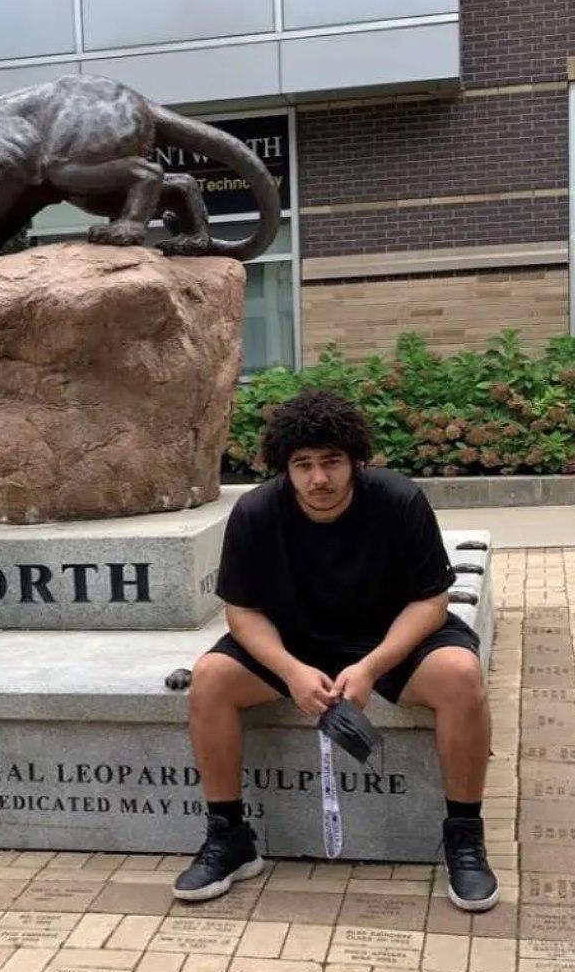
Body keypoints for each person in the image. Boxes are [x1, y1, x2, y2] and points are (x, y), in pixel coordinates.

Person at [173, 389, 497, 912]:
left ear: (355, 461)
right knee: (210, 677)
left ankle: (464, 835)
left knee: (461, 674)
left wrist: (372, 666)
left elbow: (431, 602)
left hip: (389, 640)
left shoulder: (397, 501)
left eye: (331, 462)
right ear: (286, 468)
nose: (318, 479)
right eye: (303, 465)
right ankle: (230, 836)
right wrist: (291, 670)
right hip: (296, 643)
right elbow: (244, 611)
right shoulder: (256, 512)